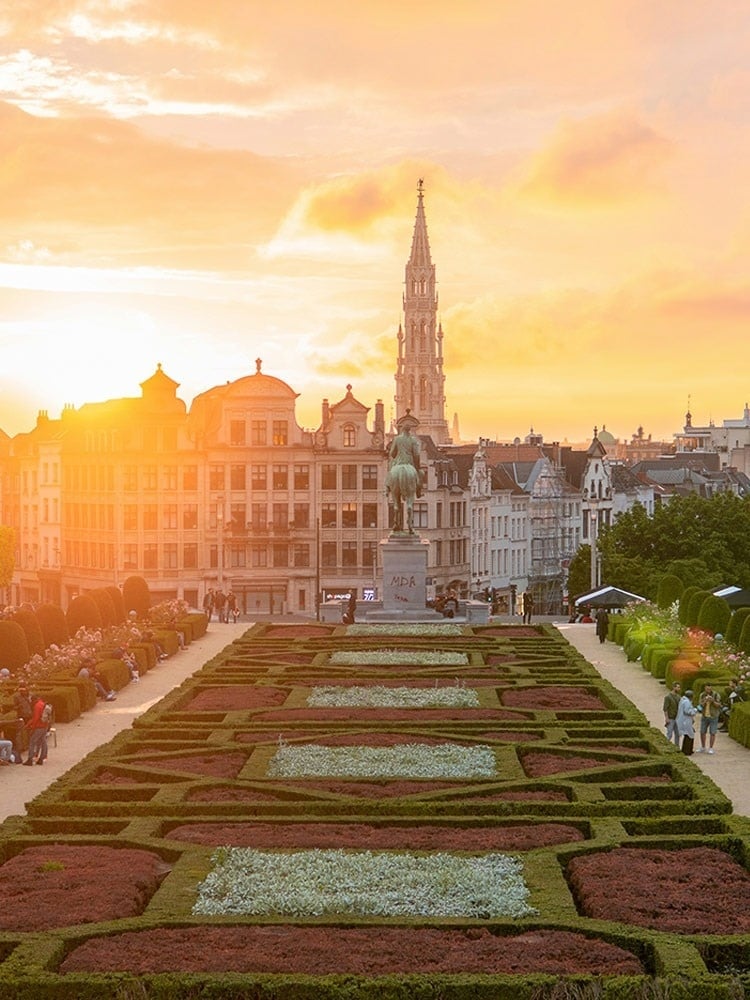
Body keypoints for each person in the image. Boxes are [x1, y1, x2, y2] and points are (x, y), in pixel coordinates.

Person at [386, 419, 422, 533]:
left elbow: (392, 453)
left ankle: (387, 487)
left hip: (399, 463)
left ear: (401, 429)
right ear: (410, 430)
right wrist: (417, 466)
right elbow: (416, 454)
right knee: (421, 473)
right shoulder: (413, 440)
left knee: (390, 472)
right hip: (409, 463)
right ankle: (418, 491)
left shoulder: (397, 439)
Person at [23, 694, 49, 765]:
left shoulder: (37, 706)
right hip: (45, 726)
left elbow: (36, 718)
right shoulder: (42, 703)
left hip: (39, 727)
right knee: (43, 741)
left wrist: (32, 727)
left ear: (34, 700)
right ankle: (42, 758)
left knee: (32, 742)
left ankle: (30, 759)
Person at [697, 683, 722, 754]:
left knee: (712, 732)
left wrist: (712, 701)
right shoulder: (702, 695)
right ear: (705, 688)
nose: (708, 690)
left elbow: (719, 705)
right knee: (702, 732)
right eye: (707, 689)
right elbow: (700, 705)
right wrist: (705, 701)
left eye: (710, 688)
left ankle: (711, 748)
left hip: (713, 716)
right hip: (704, 716)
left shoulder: (716, 694)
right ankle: (703, 747)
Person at [12, 682, 33, 763]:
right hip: (21, 716)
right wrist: (18, 707)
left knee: (30, 731)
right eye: (21, 690)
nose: (22, 692)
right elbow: (14, 707)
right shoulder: (16, 696)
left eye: (24, 690)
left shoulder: (30, 695)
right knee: (20, 732)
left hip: (29, 715)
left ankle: (29, 745)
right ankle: (19, 748)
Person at [676, 688, 698, 756]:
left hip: (685, 720)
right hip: (686, 721)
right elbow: (687, 711)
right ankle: (687, 751)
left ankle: (686, 750)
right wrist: (695, 710)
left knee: (688, 735)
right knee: (689, 735)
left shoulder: (683, 700)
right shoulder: (686, 702)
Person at [662, 681, 682, 747]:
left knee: (677, 734)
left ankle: (677, 747)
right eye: (678, 687)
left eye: (679, 687)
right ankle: (666, 747)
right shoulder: (668, 697)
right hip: (671, 718)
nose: (679, 689)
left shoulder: (679, 697)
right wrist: (666, 718)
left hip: (677, 718)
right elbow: (665, 709)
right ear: (674, 687)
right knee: (669, 734)